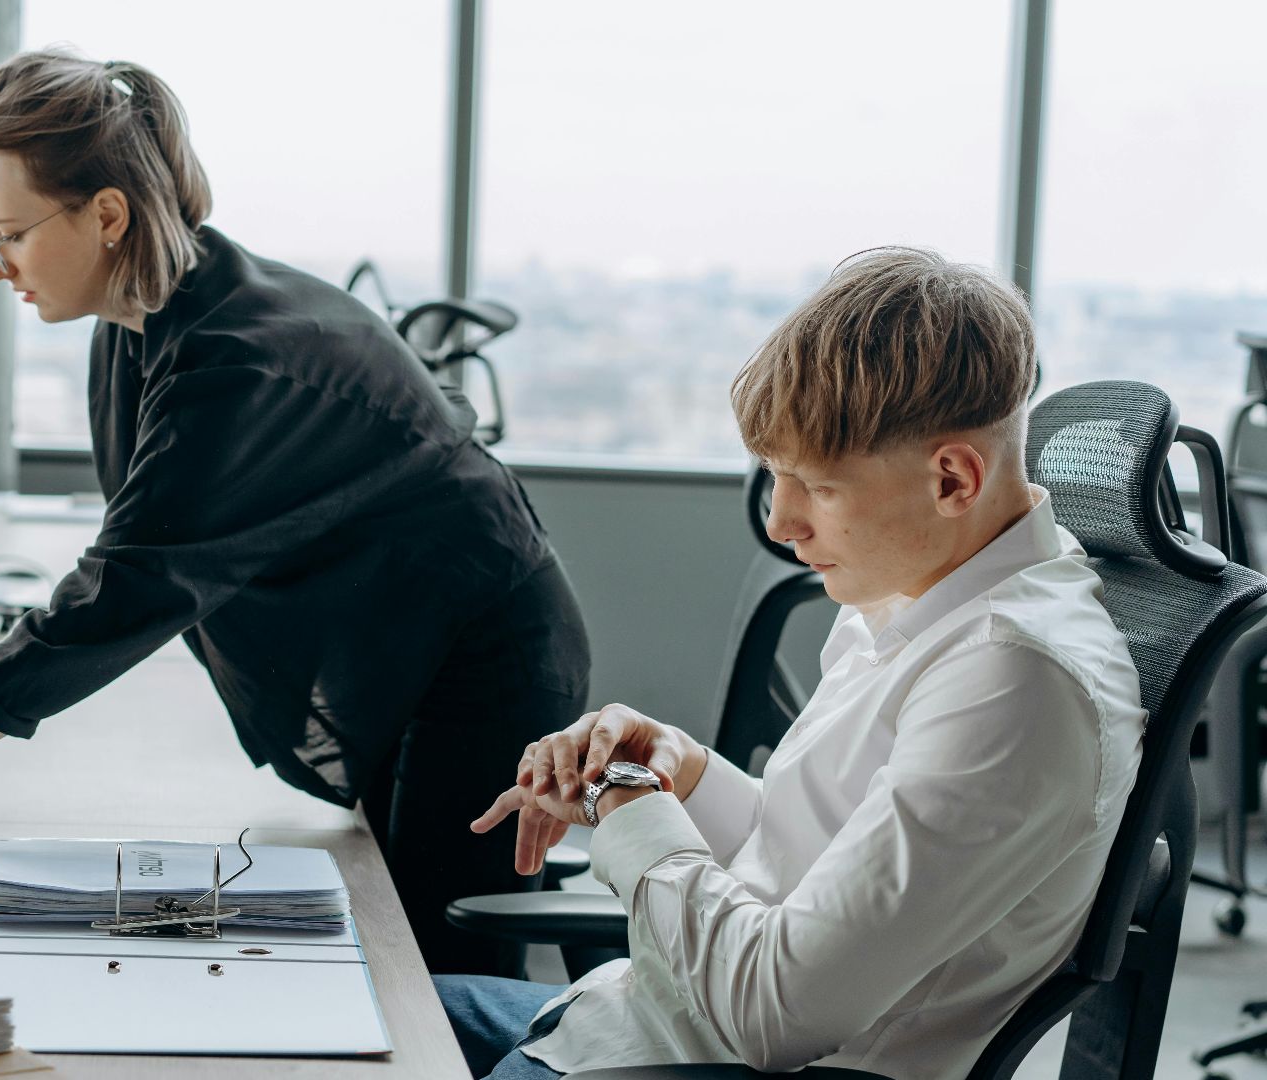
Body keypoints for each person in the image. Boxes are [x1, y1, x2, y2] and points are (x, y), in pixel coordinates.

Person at [0, 50, 591, 977]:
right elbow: (144, 555)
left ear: (108, 215)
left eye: (9, 234)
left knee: (436, 973)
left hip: (480, 661)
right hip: (400, 639)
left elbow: (126, 592)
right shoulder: (146, 313)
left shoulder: (237, 365)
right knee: (400, 950)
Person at [435, 247, 1145, 1078]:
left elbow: (777, 1014)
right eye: (775, 476)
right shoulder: (924, 594)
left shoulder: (1012, 680)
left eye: (818, 485)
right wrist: (683, 775)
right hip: (634, 1022)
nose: (781, 521)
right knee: (357, 997)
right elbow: (807, 860)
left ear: (953, 477)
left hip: (717, 1063)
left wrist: (627, 808)